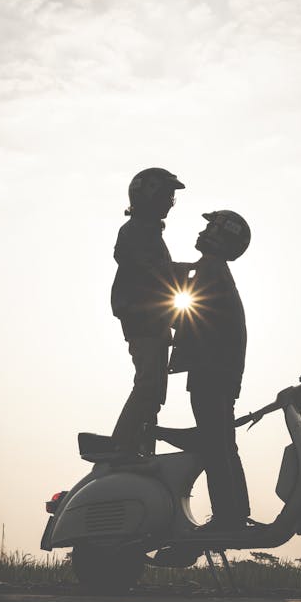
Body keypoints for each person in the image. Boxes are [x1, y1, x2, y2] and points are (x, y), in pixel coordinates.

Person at [169, 210, 252, 531]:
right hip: (222, 372)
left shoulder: (210, 270)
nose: (204, 231)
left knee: (214, 444)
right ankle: (236, 513)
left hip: (210, 372)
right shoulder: (214, 270)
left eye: (210, 227)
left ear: (222, 236)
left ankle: (227, 518)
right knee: (223, 443)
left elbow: (188, 314)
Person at [111, 167, 189, 457]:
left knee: (154, 392)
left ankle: (141, 448)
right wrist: (189, 271)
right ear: (150, 195)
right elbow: (152, 271)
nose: (170, 202)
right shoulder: (137, 232)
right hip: (143, 319)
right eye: (167, 195)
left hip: (153, 320)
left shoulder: (147, 232)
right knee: (148, 385)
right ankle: (121, 445)